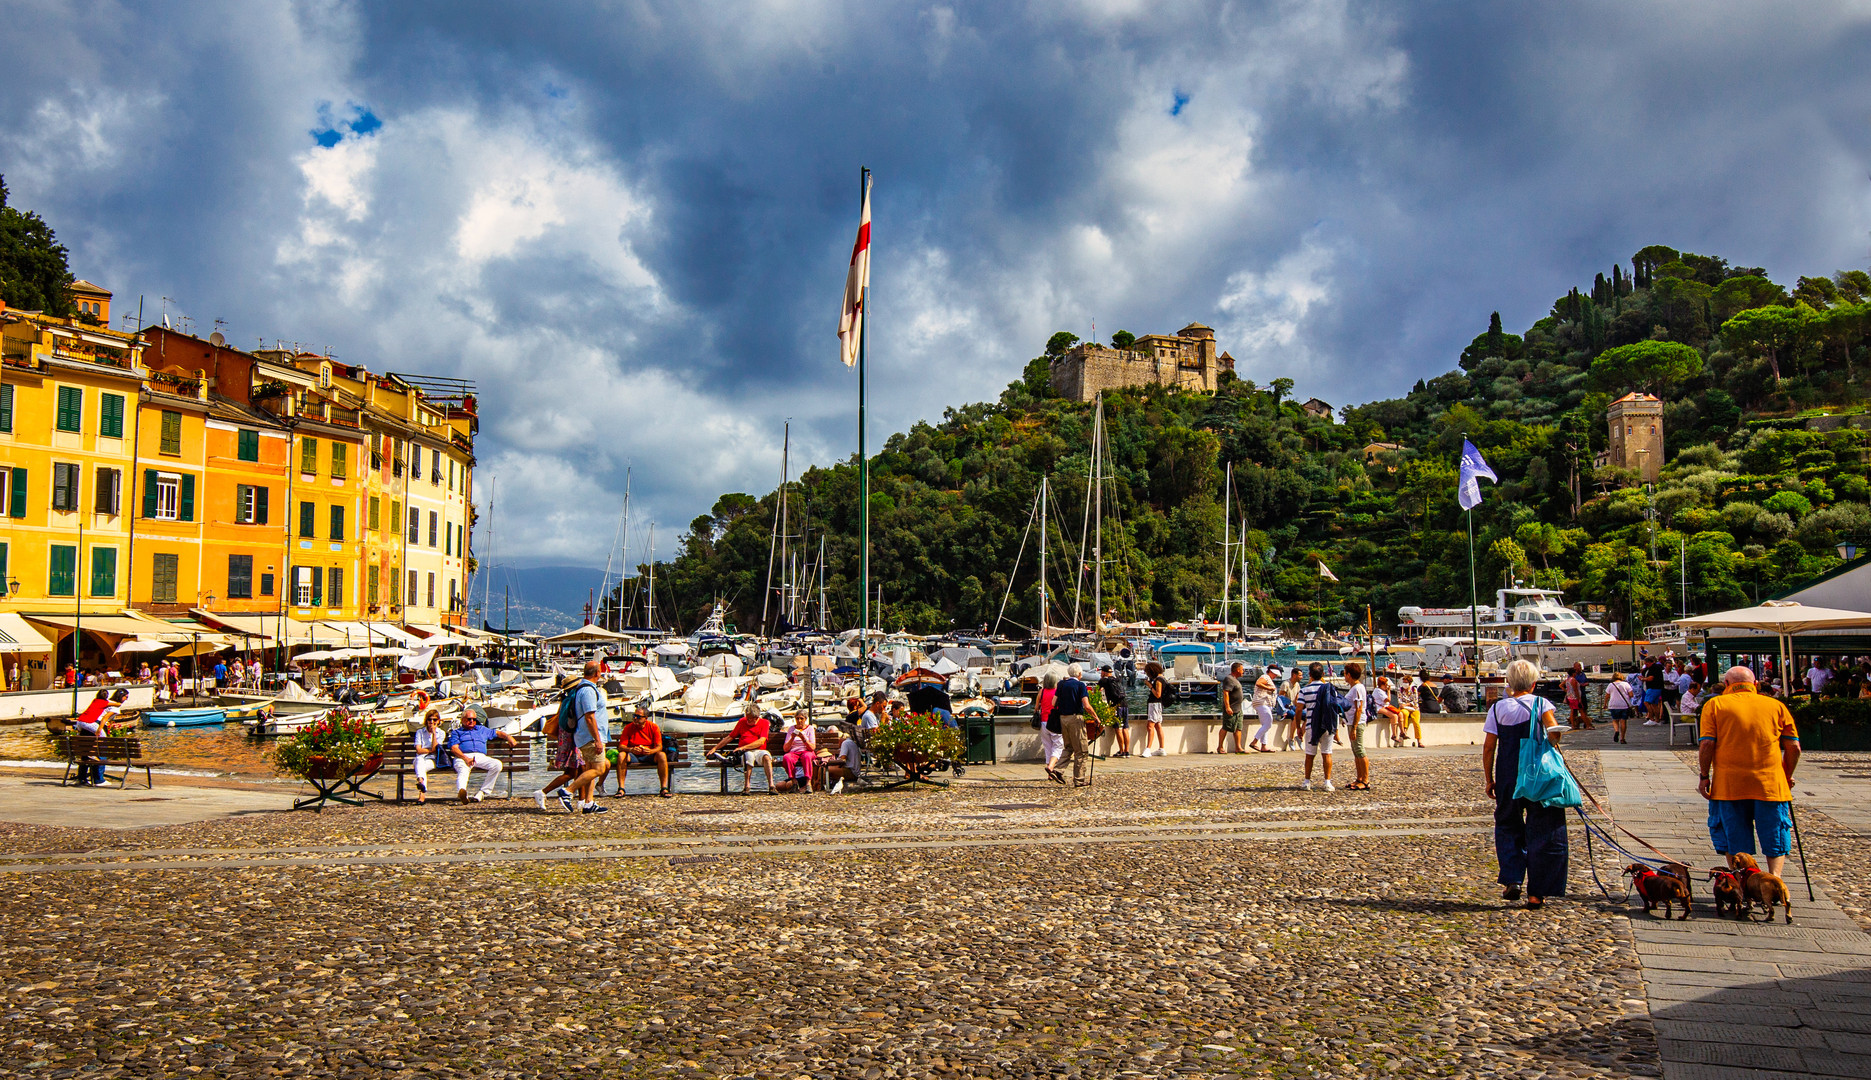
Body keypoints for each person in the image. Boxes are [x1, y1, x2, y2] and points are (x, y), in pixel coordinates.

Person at [1482, 659, 1568, 909]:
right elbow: (1553, 734)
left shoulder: (1497, 709)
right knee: (1544, 828)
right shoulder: (1542, 704)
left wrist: (1489, 779)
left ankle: (1512, 877)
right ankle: (1537, 892)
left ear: (1509, 683)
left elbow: (1489, 747)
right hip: (1537, 774)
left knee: (1508, 825)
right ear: (1533, 683)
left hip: (1508, 772)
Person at [1699, 666, 1800, 877]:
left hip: (1729, 784)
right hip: (1770, 784)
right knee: (1775, 836)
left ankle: (1743, 880)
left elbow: (1707, 744)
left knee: (1734, 838)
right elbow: (1794, 747)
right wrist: (1787, 774)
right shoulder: (1776, 706)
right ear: (1755, 685)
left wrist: (1704, 776)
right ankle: (1774, 879)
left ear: (1726, 685)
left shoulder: (1715, 704)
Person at [444, 711, 517, 803]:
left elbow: (498, 733)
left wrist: (508, 737)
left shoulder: (482, 730)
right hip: (462, 757)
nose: (472, 721)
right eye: (469, 719)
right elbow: (454, 749)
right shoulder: (457, 733)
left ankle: (482, 792)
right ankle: (462, 793)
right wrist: (466, 759)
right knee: (463, 770)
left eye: (474, 719)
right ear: (463, 720)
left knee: (497, 765)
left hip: (480, 756)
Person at [708, 704, 775, 795]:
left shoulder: (764, 723)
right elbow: (730, 737)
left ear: (756, 717)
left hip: (759, 750)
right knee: (748, 756)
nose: (748, 720)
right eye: (747, 718)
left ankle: (771, 785)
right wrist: (715, 748)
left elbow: (761, 741)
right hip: (746, 752)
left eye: (750, 718)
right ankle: (747, 786)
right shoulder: (742, 722)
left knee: (766, 757)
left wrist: (743, 747)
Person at [1294, 663, 1340, 791]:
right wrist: (1335, 729)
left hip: (1311, 725)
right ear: (1323, 674)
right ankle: (1327, 782)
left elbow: (1298, 710)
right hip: (1327, 726)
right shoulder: (1330, 689)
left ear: (1309, 675)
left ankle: (1307, 781)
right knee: (1327, 753)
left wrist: (1298, 727)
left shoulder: (1304, 690)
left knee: (1309, 755)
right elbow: (1334, 709)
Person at [71, 689, 130, 785]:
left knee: (85, 753)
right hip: (96, 726)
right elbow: (104, 718)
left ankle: (81, 778)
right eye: (126, 697)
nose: (126, 699)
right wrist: (99, 730)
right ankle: (98, 779)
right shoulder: (114, 707)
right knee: (101, 751)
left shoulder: (104, 702)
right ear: (121, 696)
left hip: (87, 726)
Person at [617, 703, 674, 798]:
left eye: (638, 717)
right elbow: (621, 746)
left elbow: (659, 746)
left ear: (645, 718)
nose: (635, 718)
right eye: (634, 716)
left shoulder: (653, 727)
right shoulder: (628, 728)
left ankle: (664, 788)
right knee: (621, 755)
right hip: (633, 755)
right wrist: (631, 749)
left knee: (662, 755)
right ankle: (621, 788)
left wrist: (651, 751)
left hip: (649, 754)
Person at [1053, 663, 1093, 787]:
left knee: (1068, 746)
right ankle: (1079, 779)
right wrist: (1095, 717)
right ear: (1079, 674)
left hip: (1063, 718)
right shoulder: (1081, 685)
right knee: (1081, 750)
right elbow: (1086, 705)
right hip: (1075, 718)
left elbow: (1053, 702)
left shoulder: (1061, 684)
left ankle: (1058, 770)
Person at [1341, 662, 1371, 790]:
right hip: (1351, 722)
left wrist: (1354, 727)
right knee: (1355, 751)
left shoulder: (1358, 688)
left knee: (1359, 749)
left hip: (1356, 723)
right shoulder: (1353, 688)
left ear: (1349, 674)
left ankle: (1365, 779)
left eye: (1345, 673)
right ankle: (1359, 777)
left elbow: (1359, 709)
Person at [412, 709, 447, 804]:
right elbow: (418, 750)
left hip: (432, 759)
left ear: (438, 721)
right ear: (426, 720)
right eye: (429, 719)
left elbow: (435, 749)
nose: (432, 722)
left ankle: (421, 788)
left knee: (421, 767)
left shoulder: (441, 733)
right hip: (420, 758)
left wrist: (434, 734)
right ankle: (421, 788)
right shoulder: (420, 732)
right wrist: (430, 750)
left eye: (434, 720)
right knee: (419, 760)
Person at [780, 709, 818, 792]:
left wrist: (804, 739)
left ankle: (808, 783)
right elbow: (785, 749)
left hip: (806, 751)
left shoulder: (810, 729)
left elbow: (812, 747)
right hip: (794, 752)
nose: (799, 721)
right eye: (797, 718)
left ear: (805, 719)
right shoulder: (791, 729)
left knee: (807, 756)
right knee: (787, 758)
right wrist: (792, 737)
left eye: (801, 718)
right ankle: (794, 782)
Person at [1036, 673, 1063, 783]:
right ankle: (1051, 767)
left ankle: (1050, 774)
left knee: (1048, 747)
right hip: (1054, 722)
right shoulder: (1057, 692)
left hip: (1043, 722)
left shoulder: (1041, 692)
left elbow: (1037, 707)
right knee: (1058, 746)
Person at [1099, 665, 1130, 757]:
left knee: (1118, 728)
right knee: (1125, 728)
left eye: (1101, 672)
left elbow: (1097, 691)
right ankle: (1127, 751)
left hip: (1116, 706)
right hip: (1125, 705)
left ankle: (1121, 751)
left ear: (1104, 672)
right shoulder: (1117, 679)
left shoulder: (1104, 680)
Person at [1217, 663, 1247, 754]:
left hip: (1238, 709)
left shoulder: (1235, 680)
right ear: (1237, 670)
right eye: (1242, 669)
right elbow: (1226, 693)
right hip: (1231, 708)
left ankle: (1238, 747)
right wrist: (1227, 707)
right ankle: (1220, 747)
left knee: (1238, 728)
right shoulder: (1229, 679)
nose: (1243, 671)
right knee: (1226, 727)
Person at [1249, 664, 1280, 753]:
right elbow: (1258, 683)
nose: (1275, 676)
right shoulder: (1265, 677)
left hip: (1264, 704)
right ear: (1270, 672)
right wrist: (1269, 688)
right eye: (1275, 674)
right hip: (1262, 703)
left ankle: (1264, 746)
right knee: (1268, 724)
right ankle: (1254, 742)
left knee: (1265, 725)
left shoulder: (1268, 678)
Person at [1141, 661, 1167, 757]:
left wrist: (1150, 686)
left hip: (1154, 704)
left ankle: (1148, 748)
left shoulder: (1158, 680)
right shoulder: (1163, 678)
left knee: (1150, 725)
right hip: (1158, 705)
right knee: (1158, 725)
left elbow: (1157, 694)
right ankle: (1161, 748)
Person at [1605, 673, 1636, 744]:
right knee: (1623, 721)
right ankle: (1622, 738)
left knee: (1615, 720)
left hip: (1613, 705)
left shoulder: (1610, 685)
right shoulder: (1626, 684)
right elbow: (1631, 695)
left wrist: (1605, 704)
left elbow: (1607, 696)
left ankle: (1616, 731)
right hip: (1624, 705)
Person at [1396, 673, 1424, 747]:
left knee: (1416, 722)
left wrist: (1406, 704)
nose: (1404, 684)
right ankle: (1404, 731)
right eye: (1404, 682)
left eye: (1406, 682)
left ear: (1410, 683)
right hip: (1404, 708)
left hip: (1414, 708)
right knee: (1404, 714)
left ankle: (1419, 740)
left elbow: (1415, 701)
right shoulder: (1400, 690)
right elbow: (1400, 701)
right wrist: (1405, 705)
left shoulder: (1414, 689)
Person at [1563, 664, 1592, 731]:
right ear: (1573, 673)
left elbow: (1561, 685)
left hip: (1570, 697)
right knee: (1582, 711)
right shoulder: (1573, 680)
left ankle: (1574, 725)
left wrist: (1567, 691)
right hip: (1575, 697)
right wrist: (1579, 699)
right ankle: (1587, 725)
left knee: (1573, 711)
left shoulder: (1568, 679)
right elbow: (1576, 690)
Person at [1642, 655, 1668, 726]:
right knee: (1654, 704)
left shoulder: (1653, 668)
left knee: (1646, 702)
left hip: (1653, 687)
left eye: (1646, 664)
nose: (1646, 665)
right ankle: (1657, 719)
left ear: (1650, 662)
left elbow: (1651, 678)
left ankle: (1651, 718)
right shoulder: (1658, 667)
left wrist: (1643, 679)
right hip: (1658, 688)